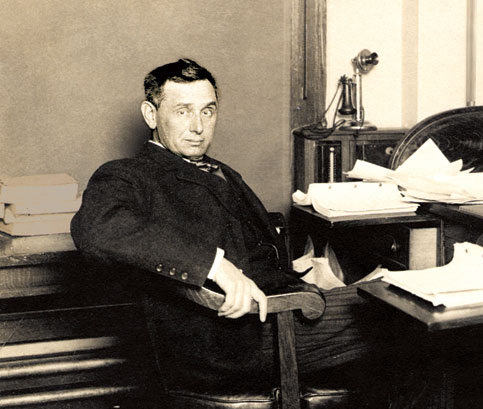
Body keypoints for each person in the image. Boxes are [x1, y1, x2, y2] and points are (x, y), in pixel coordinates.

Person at [71, 58, 383, 389]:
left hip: (274, 312)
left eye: (207, 111)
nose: (198, 126)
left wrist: (309, 273)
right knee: (406, 319)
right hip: (231, 342)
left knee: (404, 301)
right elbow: (97, 229)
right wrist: (215, 266)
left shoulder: (220, 171)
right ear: (151, 114)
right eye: (182, 111)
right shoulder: (128, 174)